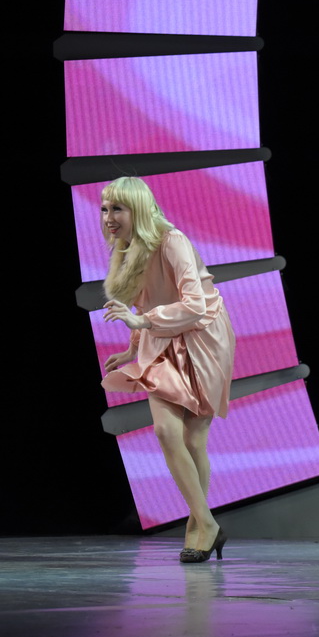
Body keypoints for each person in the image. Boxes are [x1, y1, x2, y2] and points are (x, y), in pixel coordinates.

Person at [98, 176, 235, 563]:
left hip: (203, 337)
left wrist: (142, 323)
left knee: (194, 440)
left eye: (117, 208)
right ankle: (207, 523)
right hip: (160, 336)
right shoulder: (125, 249)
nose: (108, 217)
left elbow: (194, 305)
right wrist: (132, 346)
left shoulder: (172, 241)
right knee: (164, 430)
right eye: (105, 209)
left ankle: (197, 527)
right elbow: (144, 305)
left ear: (139, 209)